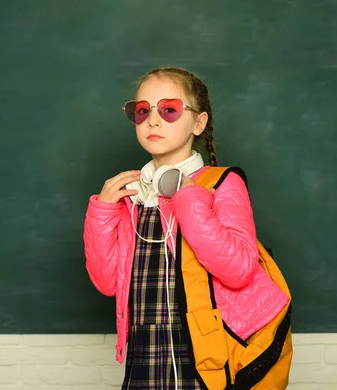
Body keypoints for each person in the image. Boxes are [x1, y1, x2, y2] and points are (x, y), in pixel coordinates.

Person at [83, 67, 290, 389]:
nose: (153, 121)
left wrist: (187, 195)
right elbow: (108, 283)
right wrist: (103, 211)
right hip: (144, 350)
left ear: (199, 122)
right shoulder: (131, 197)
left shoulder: (221, 184)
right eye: (141, 111)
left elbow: (237, 269)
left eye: (169, 110)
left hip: (202, 351)